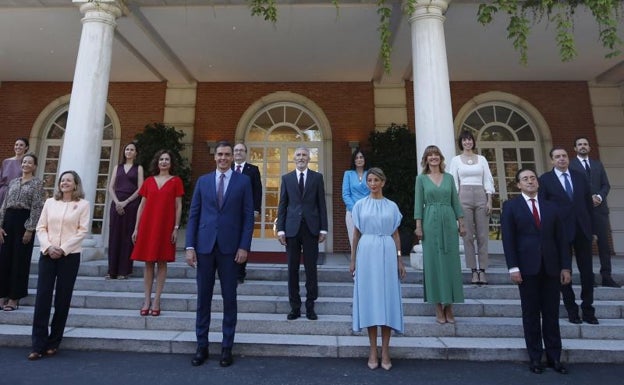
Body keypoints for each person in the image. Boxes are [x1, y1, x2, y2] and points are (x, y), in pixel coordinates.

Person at [185, 141, 254, 368]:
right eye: (220, 154)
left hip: (231, 249)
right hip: (204, 247)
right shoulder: (203, 181)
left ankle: (226, 347)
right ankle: (201, 346)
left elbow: (247, 217)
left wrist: (244, 246)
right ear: (215, 157)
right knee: (203, 299)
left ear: (232, 158)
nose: (223, 158)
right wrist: (189, 246)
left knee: (229, 299)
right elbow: (194, 215)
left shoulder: (243, 182)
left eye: (227, 154)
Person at [502, 168, 571, 375]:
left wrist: (565, 266)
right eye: (525, 179)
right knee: (531, 315)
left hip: (551, 268)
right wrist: (513, 267)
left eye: (533, 178)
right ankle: (535, 358)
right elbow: (508, 239)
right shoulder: (511, 207)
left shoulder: (552, 207)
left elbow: (562, 240)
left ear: (538, 183)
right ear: (518, 184)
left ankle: (554, 358)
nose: (530, 181)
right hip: (526, 269)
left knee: (551, 314)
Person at [28, 170, 90, 360]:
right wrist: (48, 247)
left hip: (69, 256)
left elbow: (82, 231)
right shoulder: (49, 203)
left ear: (75, 184)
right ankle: (38, 345)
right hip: (47, 254)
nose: (64, 183)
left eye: (68, 181)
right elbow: (41, 227)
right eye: (62, 180)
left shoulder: (83, 205)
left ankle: (54, 342)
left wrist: (63, 249)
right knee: (42, 299)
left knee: (63, 299)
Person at [349, 167, 406, 371]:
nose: (372, 183)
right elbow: (356, 235)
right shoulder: (360, 205)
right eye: (370, 180)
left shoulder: (392, 206)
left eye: (376, 180)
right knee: (371, 300)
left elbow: (396, 235)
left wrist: (399, 260)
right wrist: (353, 260)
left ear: (383, 182)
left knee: (387, 301)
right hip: (366, 252)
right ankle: (373, 349)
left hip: (388, 253)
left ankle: (386, 350)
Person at [539, 146, 597, 325]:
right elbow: (543, 208)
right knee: (564, 273)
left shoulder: (580, 177)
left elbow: (589, 205)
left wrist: (593, 230)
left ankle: (588, 310)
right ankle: (572, 310)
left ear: (568, 158)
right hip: (560, 232)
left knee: (587, 273)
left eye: (564, 156)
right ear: (551, 160)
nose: (561, 159)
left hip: (582, 230)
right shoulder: (545, 180)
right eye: (557, 157)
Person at [414, 145, 465, 324]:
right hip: (430, 222)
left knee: (451, 263)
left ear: (441, 158)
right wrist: (418, 226)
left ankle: (449, 306)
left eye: (436, 155)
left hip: (449, 221)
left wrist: (461, 222)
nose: (433, 158)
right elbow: (418, 204)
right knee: (433, 264)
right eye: (430, 155)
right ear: (426, 159)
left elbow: (455, 202)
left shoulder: (449, 178)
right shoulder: (421, 179)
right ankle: (437, 306)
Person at [277, 146, 328, 321]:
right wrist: (281, 229)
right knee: (292, 269)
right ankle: (295, 307)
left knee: (311, 269)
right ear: (294, 158)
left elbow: (322, 204)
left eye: (304, 155)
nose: (301, 157)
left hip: (311, 229)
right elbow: (282, 205)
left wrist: (323, 228)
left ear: (309, 158)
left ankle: (310, 306)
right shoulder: (287, 179)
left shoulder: (317, 178)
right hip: (291, 229)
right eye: (298, 155)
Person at [131, 150, 183, 317]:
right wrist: (136, 228)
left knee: (161, 262)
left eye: (167, 159)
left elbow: (178, 206)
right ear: (157, 162)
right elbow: (142, 205)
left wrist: (175, 227)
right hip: (147, 225)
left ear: (171, 163)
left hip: (165, 226)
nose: (164, 162)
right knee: (147, 262)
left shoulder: (176, 181)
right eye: (161, 159)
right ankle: (146, 299)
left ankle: (157, 300)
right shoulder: (148, 181)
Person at [569, 137, 619, 287]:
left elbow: (606, 185)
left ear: (589, 148)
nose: (583, 146)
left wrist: (599, 196)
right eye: (579, 145)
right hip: (581, 212)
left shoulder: (598, 165)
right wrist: (586, 199)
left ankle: (606, 276)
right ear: (575, 148)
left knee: (604, 245)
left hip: (599, 210)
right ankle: (588, 277)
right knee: (584, 245)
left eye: (585, 144)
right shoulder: (570, 165)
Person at [0, 154, 45, 311]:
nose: (26, 164)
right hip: (8, 221)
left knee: (19, 260)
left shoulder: (37, 184)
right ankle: (2, 295)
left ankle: (14, 298)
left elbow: (37, 207)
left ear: (34, 166)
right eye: (24, 162)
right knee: (4, 259)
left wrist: (30, 229)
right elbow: (4, 205)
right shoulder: (13, 182)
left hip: (24, 222)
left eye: (29, 162)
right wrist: (0, 226)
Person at [449, 131, 495, 285]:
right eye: (464, 140)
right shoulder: (455, 160)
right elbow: (453, 182)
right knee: (467, 236)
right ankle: (473, 271)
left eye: (470, 140)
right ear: (461, 143)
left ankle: (482, 270)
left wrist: (489, 201)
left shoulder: (481, 159)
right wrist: (454, 204)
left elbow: (488, 179)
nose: (467, 142)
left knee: (482, 236)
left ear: (473, 142)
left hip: (480, 195)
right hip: (463, 196)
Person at [106, 142, 144, 280]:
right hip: (116, 204)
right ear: (124, 152)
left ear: (136, 153)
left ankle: (124, 270)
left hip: (132, 204)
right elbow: (111, 187)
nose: (129, 151)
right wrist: (117, 202)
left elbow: (140, 188)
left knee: (127, 237)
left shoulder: (138, 168)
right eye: (127, 149)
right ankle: (112, 271)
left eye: (132, 149)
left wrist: (126, 202)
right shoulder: (118, 167)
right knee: (114, 235)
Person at [231, 142, 262, 284]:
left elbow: (257, 191)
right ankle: (229, 270)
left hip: (246, 211)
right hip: (228, 212)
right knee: (229, 241)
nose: (238, 153)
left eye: (241, 150)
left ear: (245, 153)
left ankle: (239, 273)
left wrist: (256, 209)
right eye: (236, 150)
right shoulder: (227, 168)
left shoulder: (253, 170)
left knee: (243, 242)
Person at [342, 148, 370, 248]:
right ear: (354, 160)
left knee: (367, 242)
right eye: (357, 158)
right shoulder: (348, 174)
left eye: (361, 157)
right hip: (351, 212)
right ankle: (356, 263)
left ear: (365, 159)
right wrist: (355, 209)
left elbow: (373, 192)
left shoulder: (370, 174)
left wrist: (366, 208)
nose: (359, 159)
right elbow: (345, 194)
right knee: (354, 241)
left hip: (368, 211)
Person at [0, 138, 29, 207]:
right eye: (16, 145)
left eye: (21, 145)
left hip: (18, 193)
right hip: (3, 193)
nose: (18, 147)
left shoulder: (27, 163)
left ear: (26, 147)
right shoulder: (6, 162)